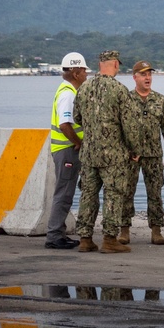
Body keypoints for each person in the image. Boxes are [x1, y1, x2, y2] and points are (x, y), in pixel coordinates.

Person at [74, 49, 139, 254]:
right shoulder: (119, 90)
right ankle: (110, 239)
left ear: (100, 64)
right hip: (113, 154)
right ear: (116, 64)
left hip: (89, 153)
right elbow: (129, 125)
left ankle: (85, 238)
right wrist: (134, 149)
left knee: (88, 194)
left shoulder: (84, 88)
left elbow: (77, 118)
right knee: (113, 194)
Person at [120, 60, 164, 245]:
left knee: (155, 193)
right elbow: (118, 128)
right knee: (126, 192)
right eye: (143, 74)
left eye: (150, 74)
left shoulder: (161, 101)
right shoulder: (125, 99)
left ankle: (156, 230)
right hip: (130, 155)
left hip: (153, 155)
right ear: (134, 77)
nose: (148, 77)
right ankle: (124, 229)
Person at [45, 51, 88, 250]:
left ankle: (58, 233)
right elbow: (65, 124)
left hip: (64, 149)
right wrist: (78, 142)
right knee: (64, 193)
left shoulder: (65, 90)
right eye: (84, 71)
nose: (86, 75)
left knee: (65, 192)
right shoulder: (68, 94)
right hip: (66, 150)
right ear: (76, 72)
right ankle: (54, 236)